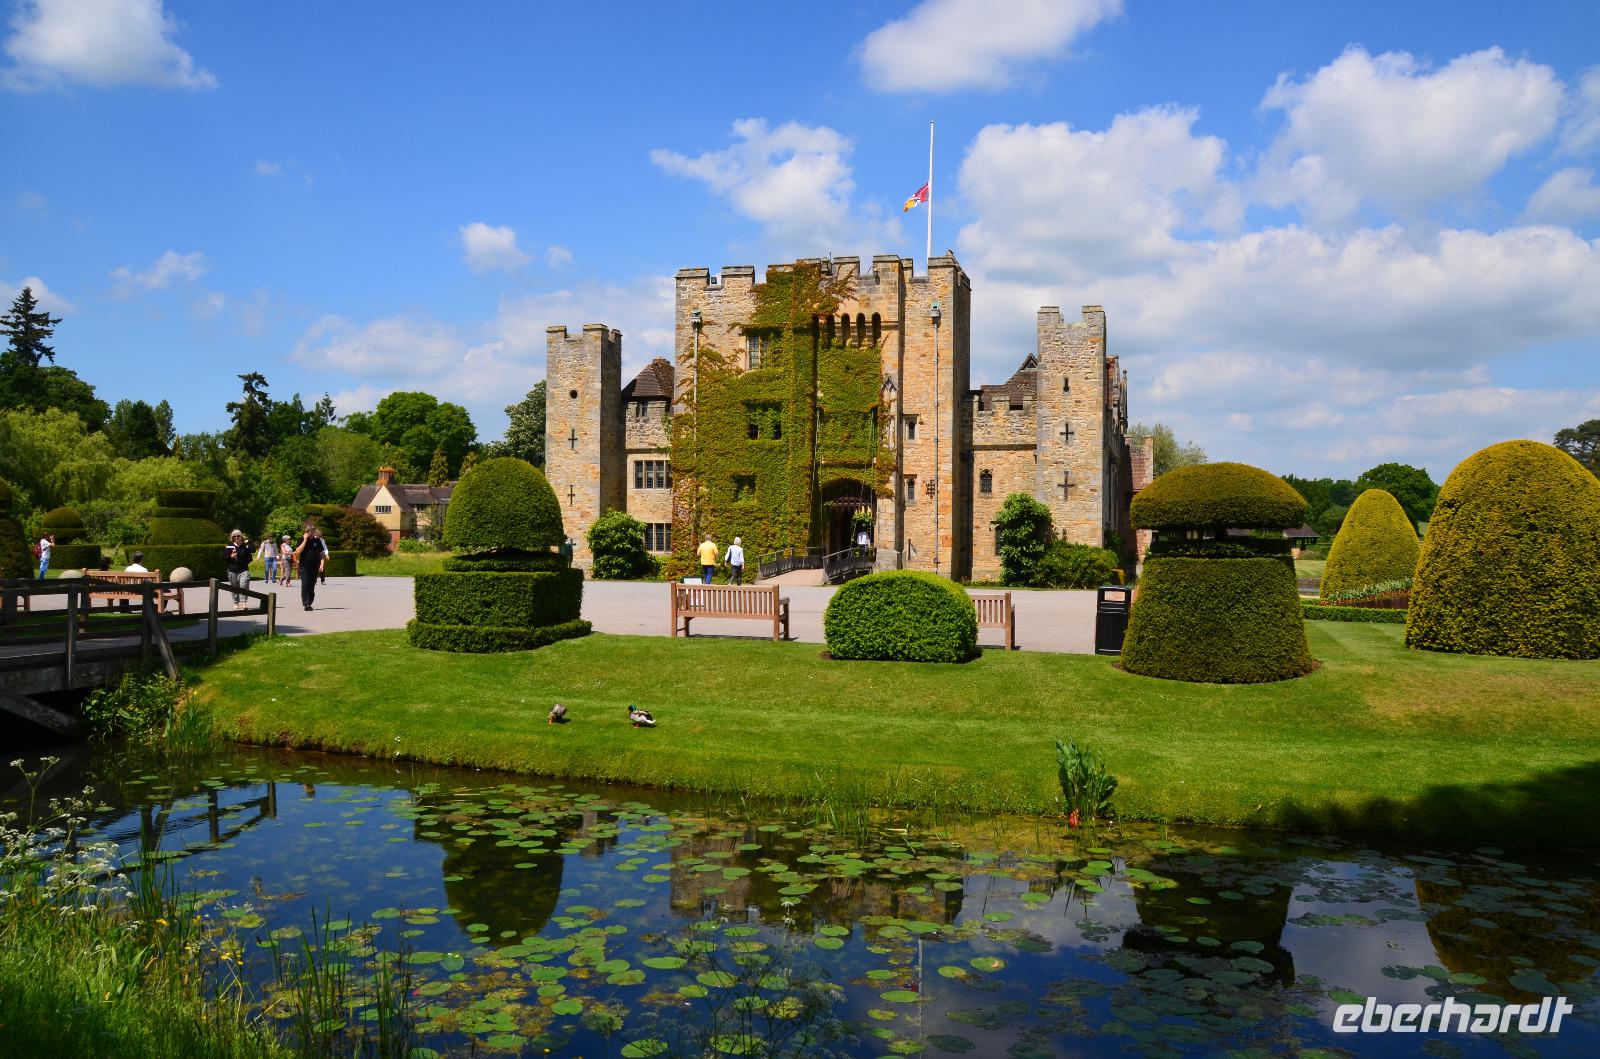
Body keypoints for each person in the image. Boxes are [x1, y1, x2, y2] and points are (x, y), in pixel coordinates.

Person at [294, 525, 327, 611]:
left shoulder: (317, 540)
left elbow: (321, 553)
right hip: (304, 565)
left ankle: (310, 601)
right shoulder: (301, 539)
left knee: (312, 584)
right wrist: (305, 540)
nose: (313, 532)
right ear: (307, 531)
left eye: (313, 530)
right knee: (305, 583)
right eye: (311, 531)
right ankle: (306, 603)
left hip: (315, 565)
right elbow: (298, 551)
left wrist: (322, 563)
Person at [223, 530, 253, 611]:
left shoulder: (245, 546)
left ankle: (243, 602)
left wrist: (244, 560)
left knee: (244, 585)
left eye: (238, 536)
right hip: (232, 570)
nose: (236, 538)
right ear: (232, 538)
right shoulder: (229, 547)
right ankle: (236, 603)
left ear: (241, 537)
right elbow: (225, 559)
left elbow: (250, 557)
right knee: (234, 587)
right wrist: (231, 557)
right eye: (234, 536)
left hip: (244, 570)